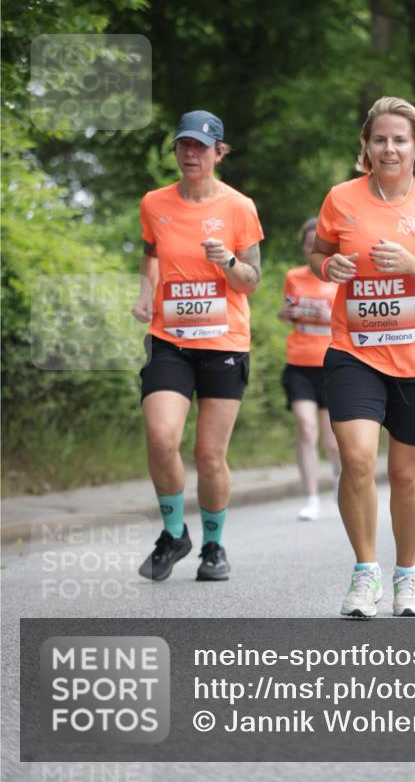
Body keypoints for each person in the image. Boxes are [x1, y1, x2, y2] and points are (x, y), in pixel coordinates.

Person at [310, 96, 415, 618]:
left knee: (406, 475)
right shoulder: (341, 197)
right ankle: (364, 572)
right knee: (355, 459)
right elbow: (319, 253)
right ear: (367, 146)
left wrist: (411, 265)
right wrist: (327, 267)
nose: (390, 147)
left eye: (400, 139)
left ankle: (408, 574)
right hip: (353, 350)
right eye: (380, 139)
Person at [131, 110, 264, 580]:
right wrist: (146, 294)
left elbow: (250, 282)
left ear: (218, 153)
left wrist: (227, 260)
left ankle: (213, 546)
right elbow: (150, 252)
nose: (191, 154)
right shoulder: (155, 203)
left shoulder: (239, 207)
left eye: (201, 147)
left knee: (209, 455)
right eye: (184, 146)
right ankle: (173, 534)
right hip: (169, 339)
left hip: (224, 341)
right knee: (162, 436)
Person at [279, 217, 340, 521]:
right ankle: (311, 497)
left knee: (332, 439)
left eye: (317, 244)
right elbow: (287, 313)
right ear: (304, 248)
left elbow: (351, 320)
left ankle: (342, 486)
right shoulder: (294, 276)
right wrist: (285, 313)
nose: (311, 248)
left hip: (331, 365)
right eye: (307, 244)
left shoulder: (339, 279)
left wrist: (328, 313)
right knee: (305, 428)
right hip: (299, 363)